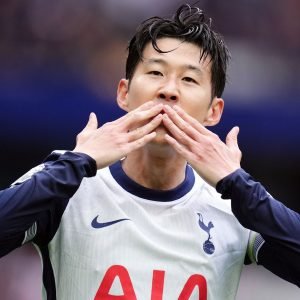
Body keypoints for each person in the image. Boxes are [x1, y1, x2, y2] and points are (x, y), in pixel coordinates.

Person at [0, 4, 299, 299]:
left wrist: (238, 184)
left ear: (214, 112)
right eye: (156, 72)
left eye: (189, 79)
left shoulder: (237, 205)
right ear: (123, 93)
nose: (168, 91)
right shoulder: (66, 182)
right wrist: (76, 163)